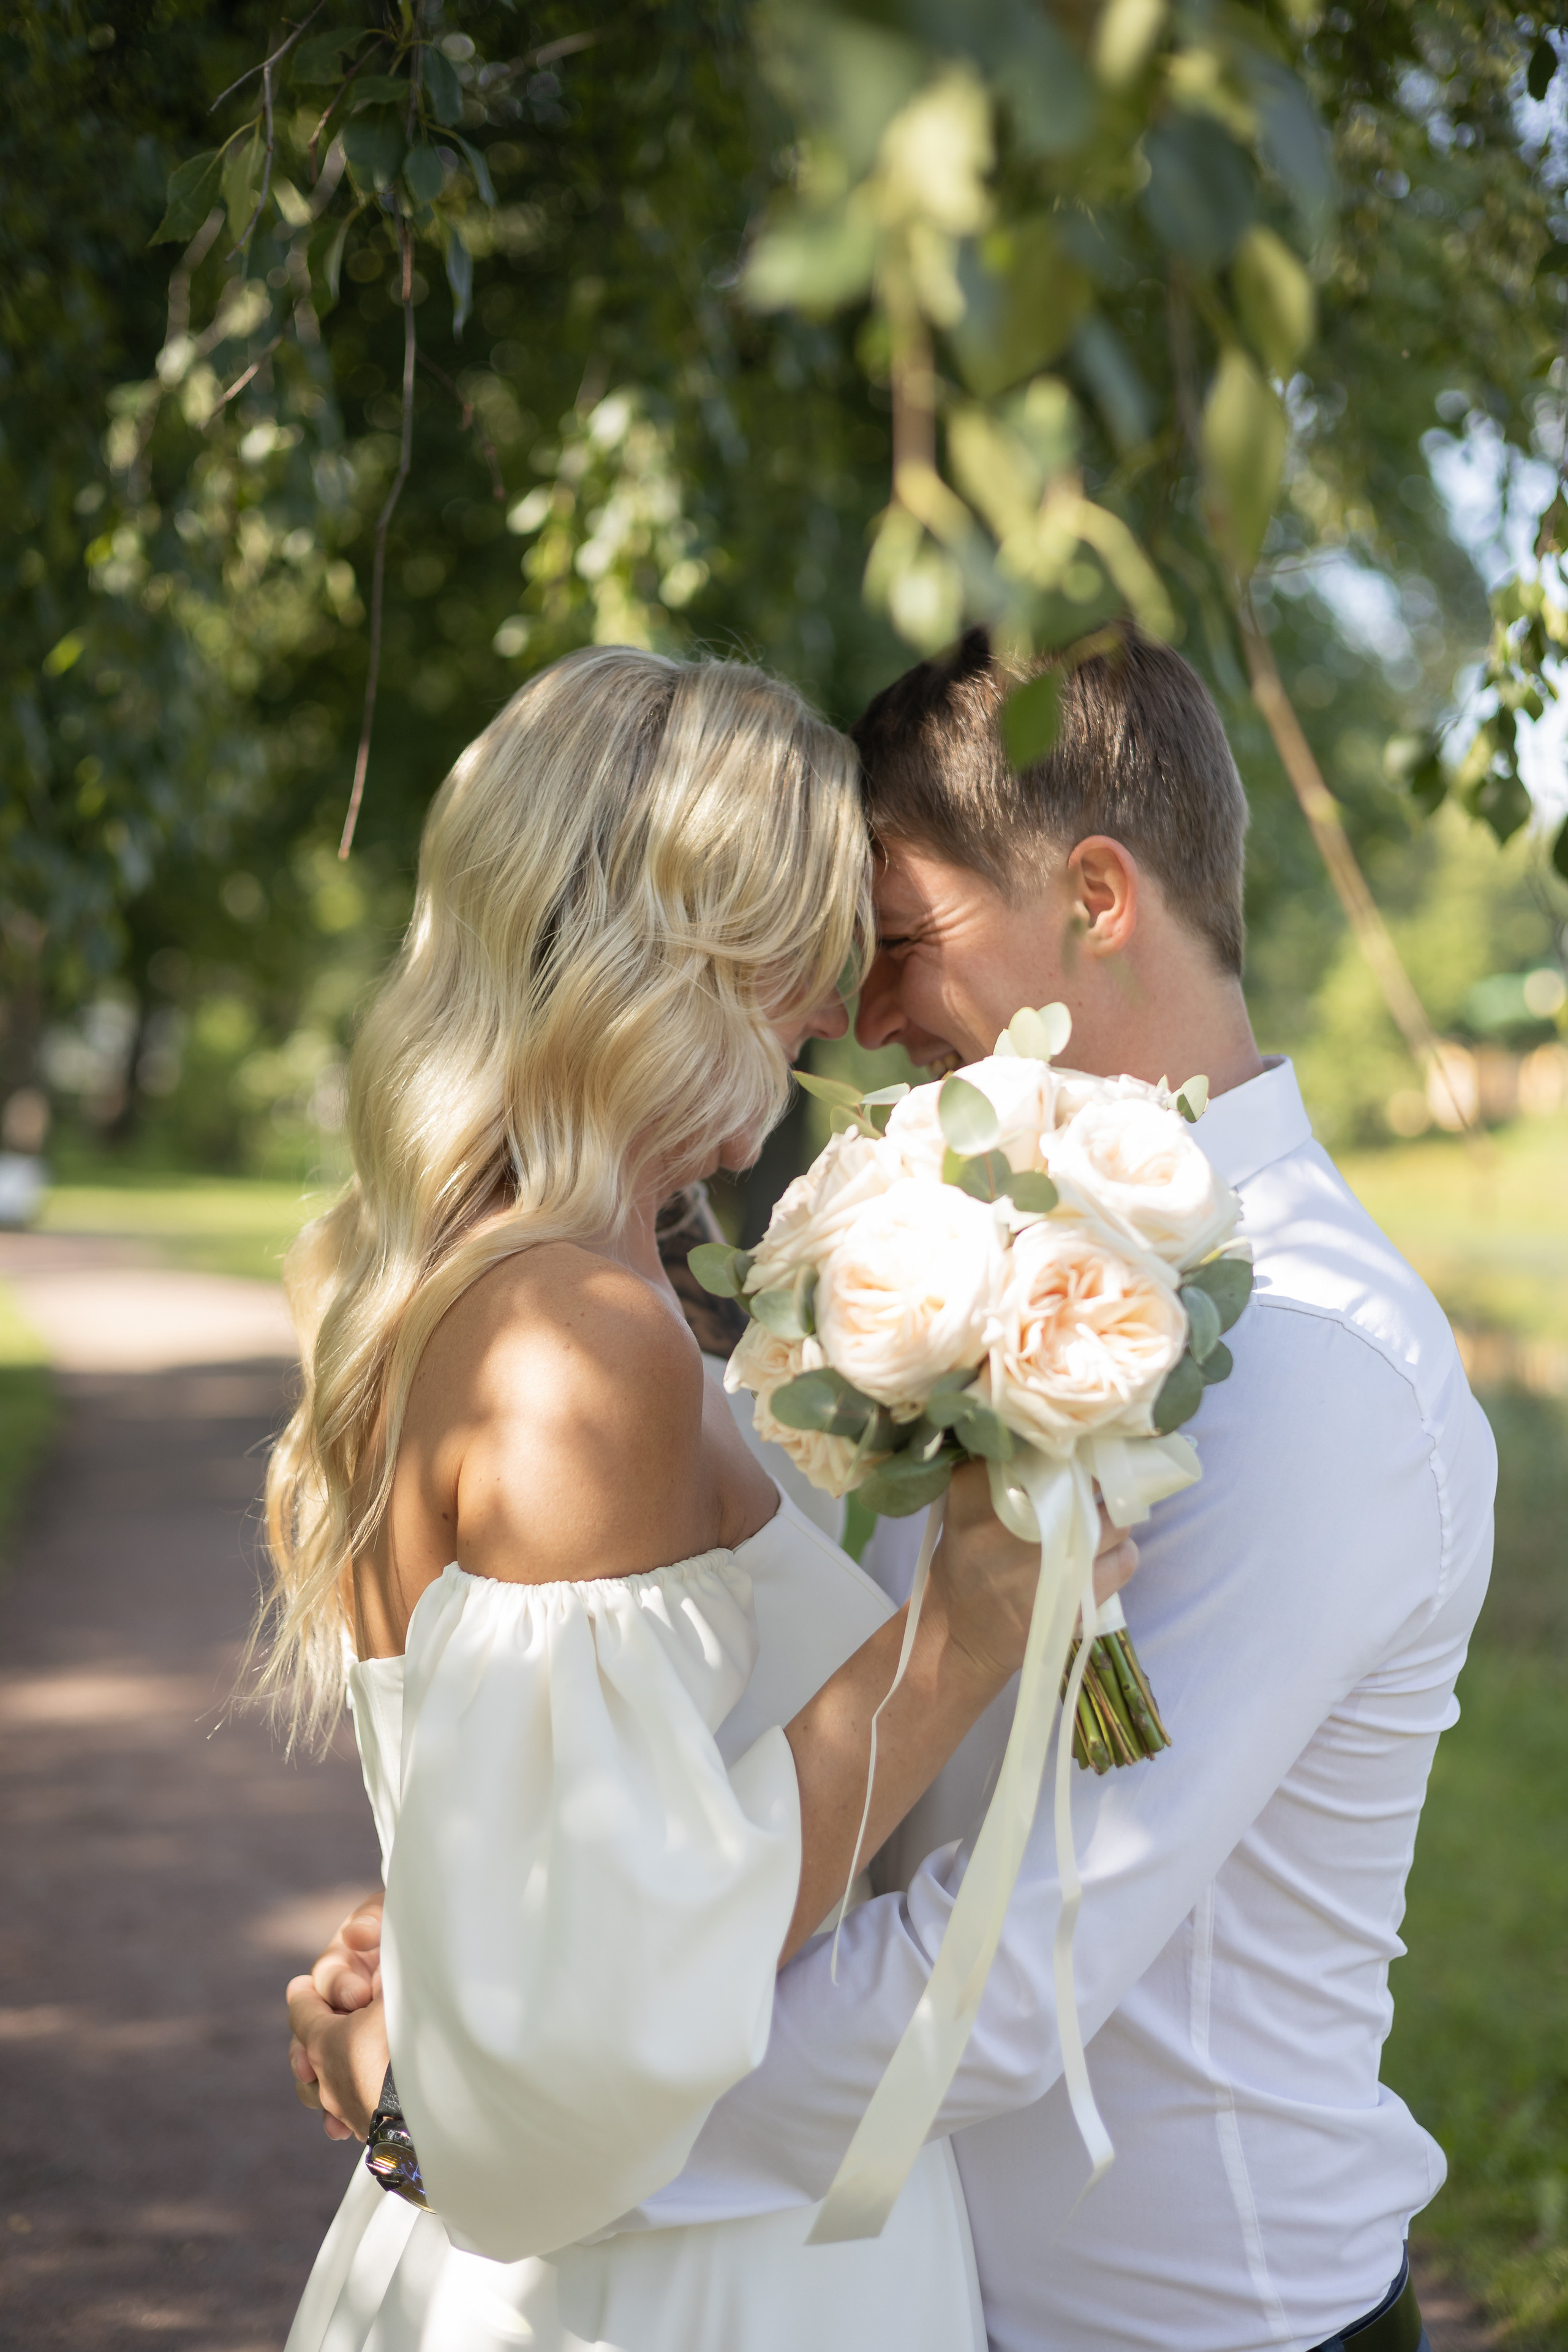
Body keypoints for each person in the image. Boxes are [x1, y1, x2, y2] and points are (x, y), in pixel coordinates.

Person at [295, 625, 1491, 2351]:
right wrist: (489, 1954)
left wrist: (478, 2086)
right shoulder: (920, 1263)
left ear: (1096, 897)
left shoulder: (1307, 1362)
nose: (854, 1022)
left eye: (903, 941)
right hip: (869, 2280)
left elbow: (1005, 1984)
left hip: (1179, 2323)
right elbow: (690, 1729)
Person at [267, 641, 1138, 2352]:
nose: (831, 1013)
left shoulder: (482, 1282)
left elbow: (551, 1874)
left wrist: (424, 2012)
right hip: (670, 2291)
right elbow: (601, 2021)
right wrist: (955, 1645)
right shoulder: (577, 1339)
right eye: (800, 953)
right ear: (668, 958)